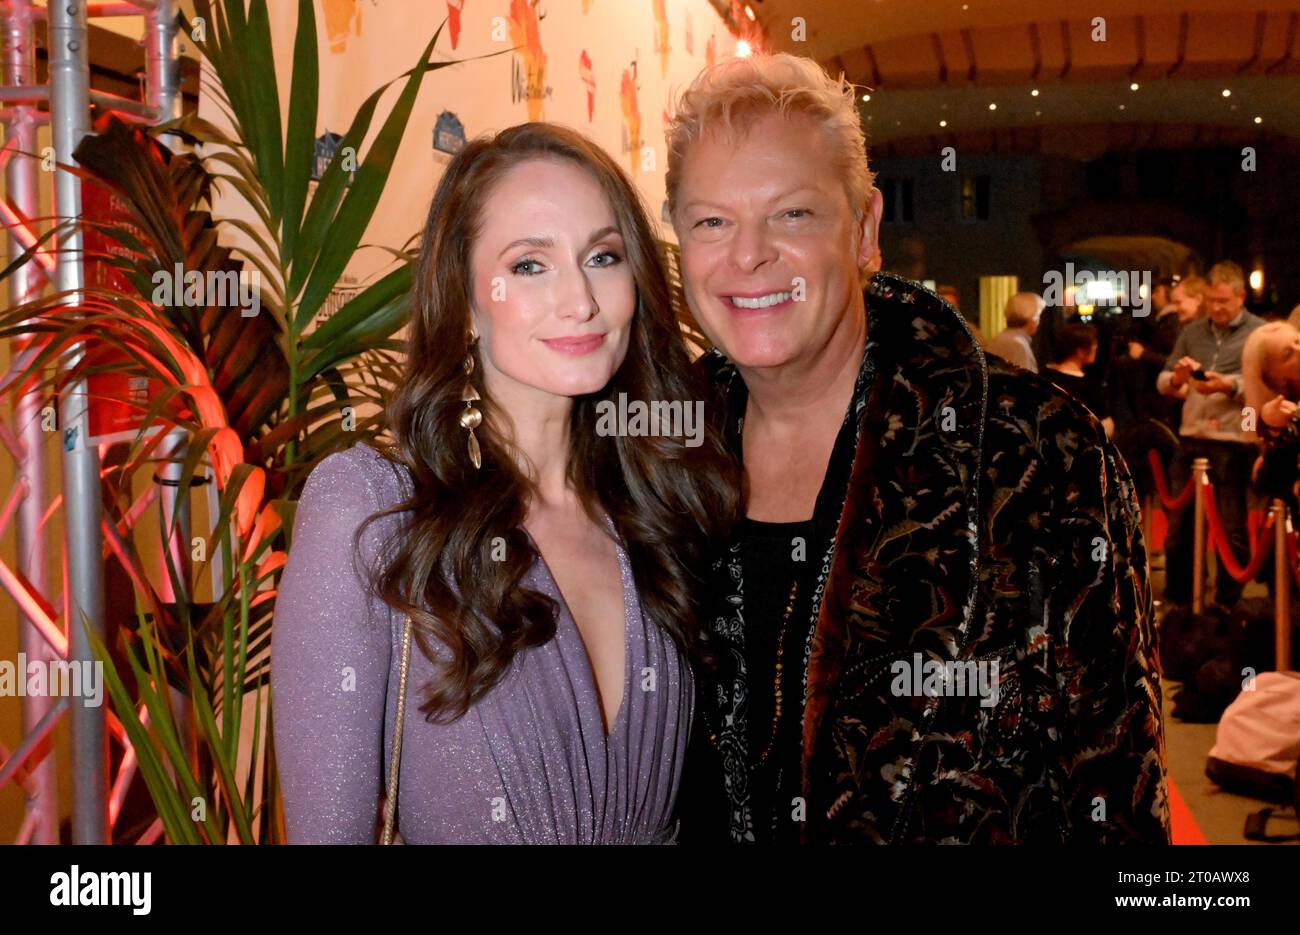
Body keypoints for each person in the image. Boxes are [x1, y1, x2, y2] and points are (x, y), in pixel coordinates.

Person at [666, 53, 1168, 844]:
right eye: (711, 221)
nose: (748, 254)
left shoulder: (1037, 453)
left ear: (864, 229)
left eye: (792, 214)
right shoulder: (653, 462)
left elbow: (1119, 790)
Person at [271, 123, 738, 844]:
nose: (580, 299)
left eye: (603, 256)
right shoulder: (370, 508)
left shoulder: (657, 504)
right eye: (529, 266)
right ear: (463, 299)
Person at [1157, 261, 1264, 611]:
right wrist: (1178, 379)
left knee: (1231, 524)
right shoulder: (1193, 333)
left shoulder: (1258, 333)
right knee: (1179, 527)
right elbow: (1165, 379)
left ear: (1240, 297)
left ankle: (1227, 604)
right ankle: (1179, 599)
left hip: (1234, 439)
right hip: (1192, 435)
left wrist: (1229, 384)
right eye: (1211, 301)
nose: (1216, 308)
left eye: (1223, 301)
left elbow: (1266, 384)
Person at [1127, 276, 1203, 431]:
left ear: (1198, 299)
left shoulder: (1181, 327)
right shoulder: (1187, 329)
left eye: (1179, 303)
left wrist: (1143, 354)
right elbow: (1172, 368)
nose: (1176, 308)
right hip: (1182, 409)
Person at [1046, 323, 1114, 437]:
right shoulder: (1088, 387)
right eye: (1094, 344)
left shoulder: (1043, 375)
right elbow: (1105, 425)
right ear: (1080, 351)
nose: (1096, 348)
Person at [984, 291, 1043, 372]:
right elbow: (1024, 382)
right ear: (1032, 318)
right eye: (1038, 315)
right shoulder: (1017, 345)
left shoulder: (998, 338)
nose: (1038, 321)